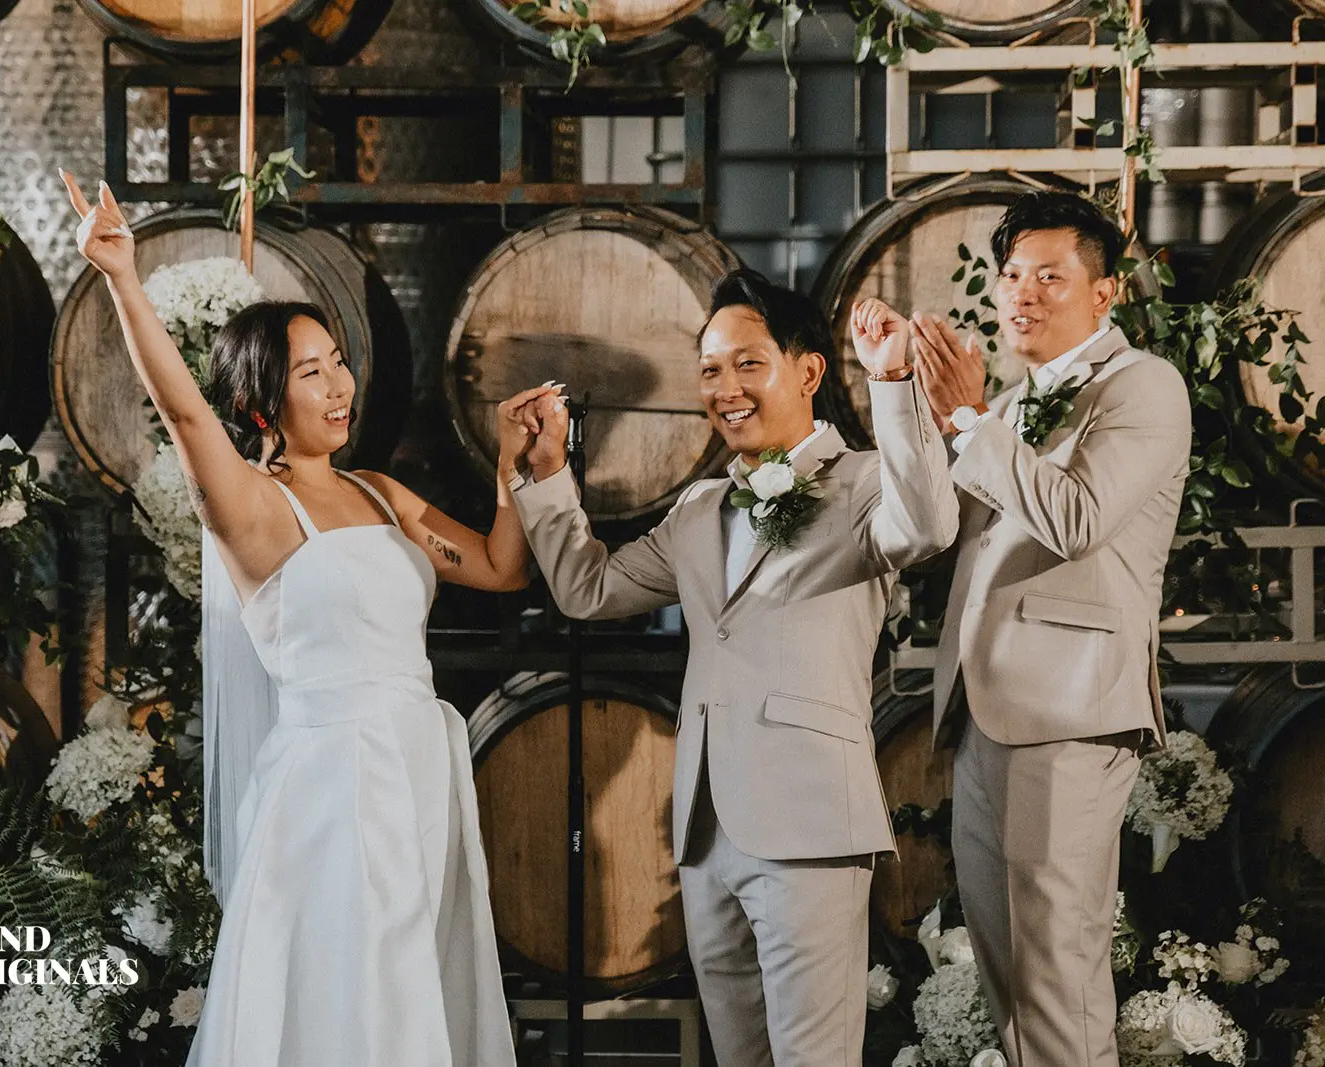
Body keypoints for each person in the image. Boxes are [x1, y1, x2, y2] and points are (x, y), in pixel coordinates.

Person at [61, 171, 526, 1067]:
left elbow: (503, 566)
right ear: (259, 403)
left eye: (338, 362)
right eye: (311, 373)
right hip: (333, 783)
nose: (339, 384)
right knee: (354, 1000)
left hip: (418, 768)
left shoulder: (380, 492)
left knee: (416, 985)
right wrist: (121, 278)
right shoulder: (250, 508)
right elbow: (183, 411)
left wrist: (512, 467)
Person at [503, 269, 958, 1067]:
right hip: (708, 832)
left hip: (811, 829)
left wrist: (891, 382)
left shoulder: (863, 481)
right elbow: (586, 588)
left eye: (749, 364)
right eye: (710, 369)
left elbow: (926, 527)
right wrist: (545, 474)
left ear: (808, 371)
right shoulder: (697, 509)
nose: (726, 388)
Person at [906, 190, 1192, 1067]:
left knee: (1057, 979)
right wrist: (904, 396)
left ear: (1104, 293)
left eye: (1049, 277)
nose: (1021, 294)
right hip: (982, 711)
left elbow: (1076, 517)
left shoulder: (1143, 385)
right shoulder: (1010, 404)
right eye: (1011, 276)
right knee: (1009, 982)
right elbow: (934, 534)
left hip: (1070, 714)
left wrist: (968, 419)